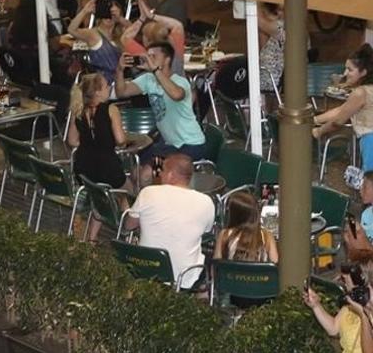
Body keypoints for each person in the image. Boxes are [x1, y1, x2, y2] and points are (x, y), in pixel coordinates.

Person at [115, 41, 206, 185]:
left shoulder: (180, 82)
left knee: (147, 176)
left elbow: (176, 94)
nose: (149, 59)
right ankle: (150, 201)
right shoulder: (148, 79)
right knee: (136, 174)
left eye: (153, 56)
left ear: (167, 59)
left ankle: (161, 199)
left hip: (189, 145)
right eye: (148, 55)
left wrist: (155, 70)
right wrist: (119, 70)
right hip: (168, 144)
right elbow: (122, 92)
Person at [123, 153, 214, 290]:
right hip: (184, 277)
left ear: (171, 175)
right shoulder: (206, 202)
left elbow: (128, 225)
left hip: (145, 268)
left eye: (162, 170)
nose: (160, 174)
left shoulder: (148, 193)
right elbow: (207, 231)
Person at [67, 72, 127, 241]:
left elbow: (72, 141)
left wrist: (90, 141)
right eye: (107, 86)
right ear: (98, 92)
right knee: (130, 192)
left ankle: (91, 240)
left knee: (98, 198)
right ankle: (126, 229)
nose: (110, 88)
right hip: (107, 168)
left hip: (84, 168)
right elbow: (121, 140)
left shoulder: (78, 109)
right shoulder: (111, 109)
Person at [313, 45, 373, 171]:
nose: (345, 73)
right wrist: (315, 119)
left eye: (350, 70)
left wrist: (319, 131)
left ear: (363, 72)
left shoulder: (360, 93)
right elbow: (342, 109)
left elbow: (338, 121)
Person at [120, 0, 186, 76]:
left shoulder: (144, 55)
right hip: (178, 87)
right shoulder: (175, 51)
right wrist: (151, 16)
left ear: (148, 40)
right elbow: (177, 25)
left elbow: (125, 37)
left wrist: (142, 18)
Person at [213, 190, 278, 264]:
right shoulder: (266, 236)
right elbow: (275, 265)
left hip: (231, 275)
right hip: (260, 275)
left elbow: (217, 265)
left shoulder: (225, 234)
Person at [66, 0, 125, 77]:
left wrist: (120, 18)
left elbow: (134, 30)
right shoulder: (93, 33)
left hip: (120, 79)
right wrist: (85, 11)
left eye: (112, 14)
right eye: (107, 12)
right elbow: (71, 29)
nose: (109, 17)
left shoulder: (120, 34)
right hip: (102, 79)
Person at [257, 2, 285, 106]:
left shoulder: (282, 29)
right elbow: (262, 46)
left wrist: (254, 1)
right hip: (269, 74)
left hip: (272, 77)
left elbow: (259, 21)